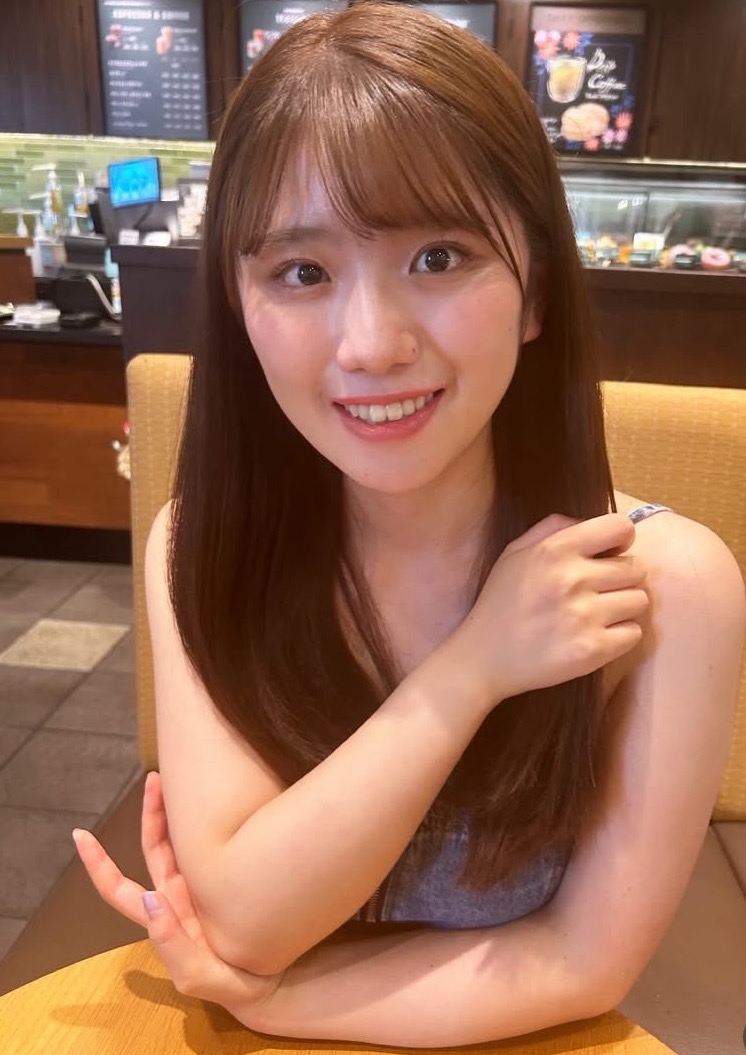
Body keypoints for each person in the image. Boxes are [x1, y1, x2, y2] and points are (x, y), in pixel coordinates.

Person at [74, 3, 745, 1045]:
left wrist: (280, 1000)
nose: (371, 343)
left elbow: (583, 961)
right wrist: (471, 668)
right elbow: (246, 921)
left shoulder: (664, 588)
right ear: (239, 307)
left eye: (438, 256)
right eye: (302, 272)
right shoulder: (198, 544)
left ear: (535, 293)